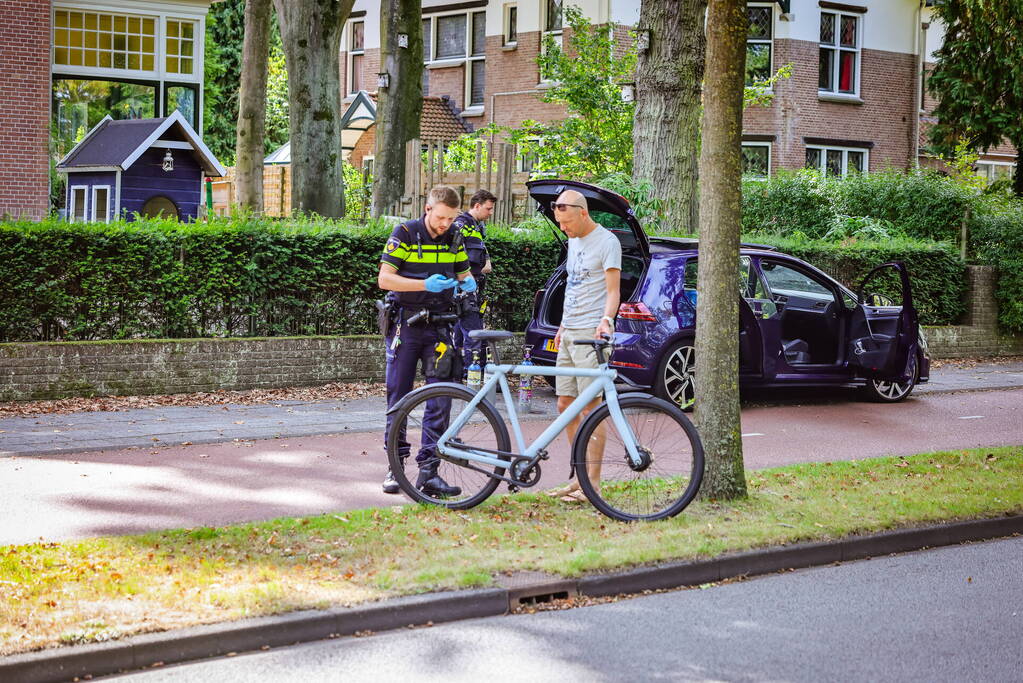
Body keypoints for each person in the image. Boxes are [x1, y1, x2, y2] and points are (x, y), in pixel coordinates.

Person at [379, 186, 477, 496]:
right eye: (441, 217)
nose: (445, 224)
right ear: (428, 209)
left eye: (451, 218)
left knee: (440, 399)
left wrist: (467, 282)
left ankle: (429, 471)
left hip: (440, 327)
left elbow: (463, 275)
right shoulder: (406, 233)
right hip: (406, 326)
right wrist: (424, 284)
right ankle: (395, 468)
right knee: (399, 398)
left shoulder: (455, 236)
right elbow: (385, 278)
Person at [545, 189, 621, 503]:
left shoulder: (607, 242)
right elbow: (573, 287)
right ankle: (578, 479)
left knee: (591, 408)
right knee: (566, 405)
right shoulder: (573, 240)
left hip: (591, 333)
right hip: (569, 331)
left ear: (583, 212)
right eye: (560, 223)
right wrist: (562, 325)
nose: (563, 228)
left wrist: (606, 320)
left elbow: (613, 291)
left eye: (566, 223)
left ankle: (593, 484)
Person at [452, 189, 496, 371]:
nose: (491, 213)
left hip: (473, 289)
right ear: (477, 206)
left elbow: (484, 262)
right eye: (488, 208)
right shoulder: (461, 225)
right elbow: (452, 256)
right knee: (475, 334)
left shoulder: (476, 227)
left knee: (459, 335)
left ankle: (458, 374)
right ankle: (474, 375)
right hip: (463, 290)